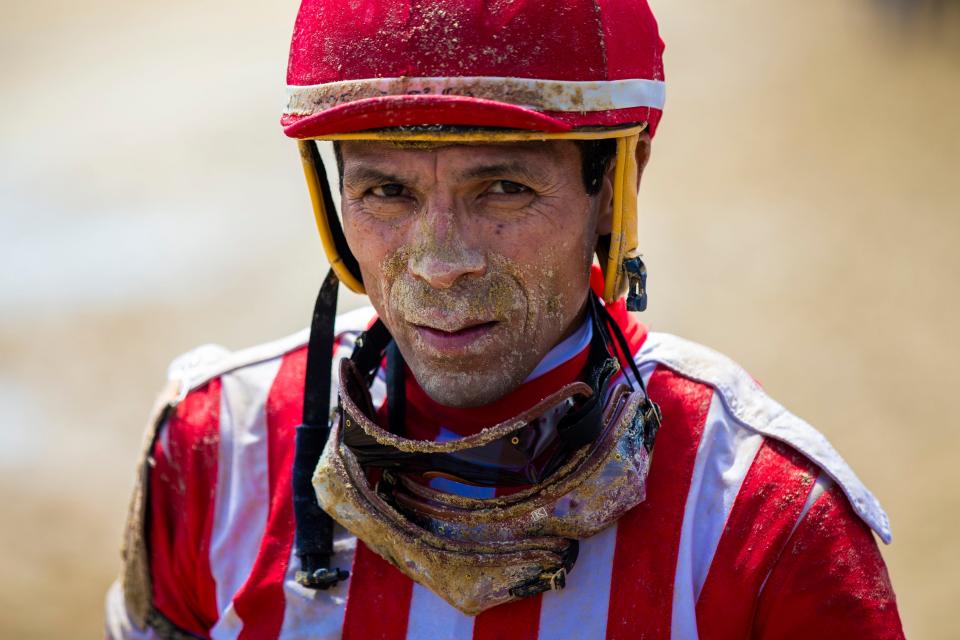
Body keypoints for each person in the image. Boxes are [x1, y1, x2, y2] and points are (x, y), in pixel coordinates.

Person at [105, 0, 905, 638]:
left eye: (505, 190)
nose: (439, 262)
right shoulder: (213, 454)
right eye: (386, 192)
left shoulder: (766, 522)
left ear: (617, 186)